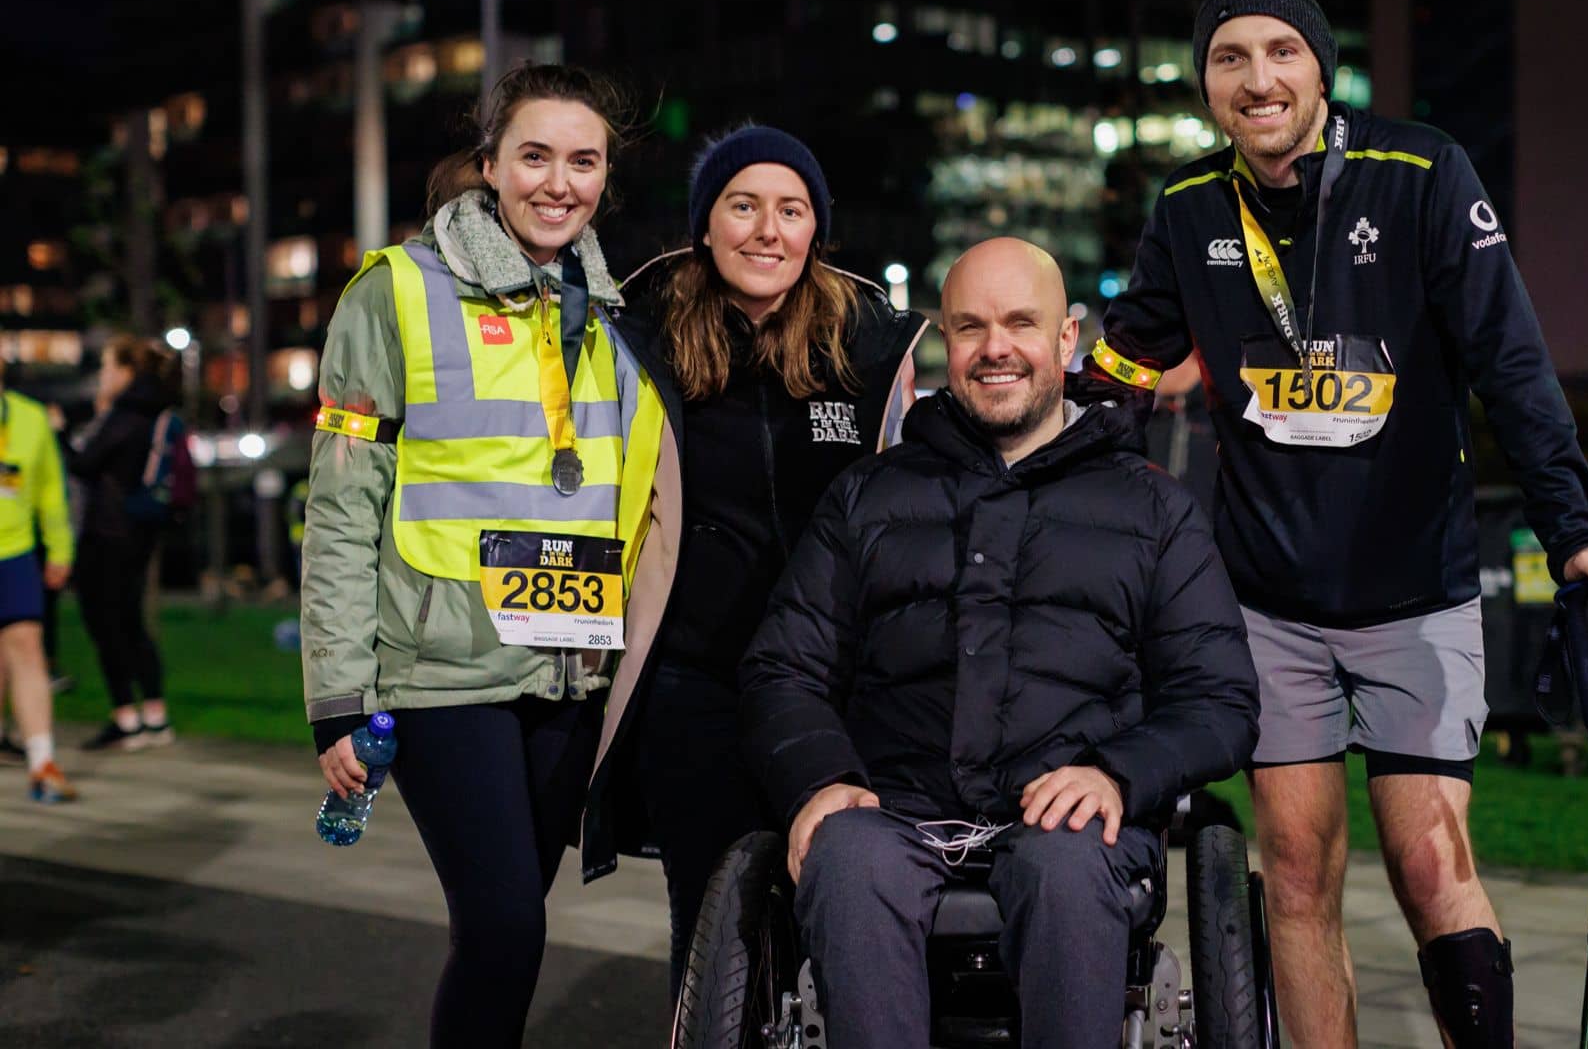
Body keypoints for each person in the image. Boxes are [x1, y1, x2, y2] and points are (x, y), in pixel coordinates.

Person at [1088, 0, 1588, 1045]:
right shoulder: (1185, 209)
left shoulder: (1423, 174)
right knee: (1297, 874)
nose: (1258, 79)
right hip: (1268, 606)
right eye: (1230, 58)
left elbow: (1514, 369)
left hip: (1416, 591)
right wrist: (1029, 410)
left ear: (1319, 66)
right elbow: (1123, 370)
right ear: (1208, 85)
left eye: (1281, 52)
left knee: (1429, 862)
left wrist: (1578, 531)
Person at [736, 237, 1260, 1048]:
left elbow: (1220, 700)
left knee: (1064, 865)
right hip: (893, 810)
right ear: (946, 338)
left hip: (1072, 824)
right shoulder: (870, 495)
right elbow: (783, 666)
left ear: (1067, 338)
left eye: (1021, 322)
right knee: (848, 859)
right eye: (972, 327)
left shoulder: (1154, 511)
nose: (996, 348)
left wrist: (1119, 775)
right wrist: (820, 778)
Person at [300, 62, 671, 1049]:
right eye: (535, 156)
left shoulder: (619, 311)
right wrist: (339, 694)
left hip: (570, 673)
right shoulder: (395, 294)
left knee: (506, 933)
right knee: (507, 927)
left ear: (606, 175)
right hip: (438, 674)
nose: (559, 182)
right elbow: (341, 506)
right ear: (490, 165)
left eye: (583, 160)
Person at [576, 125, 924, 997]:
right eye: (744, 205)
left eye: (792, 209)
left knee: (837, 919)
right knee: (714, 928)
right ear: (706, 225)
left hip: (831, 688)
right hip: (695, 688)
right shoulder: (638, 341)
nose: (768, 230)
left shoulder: (870, 350)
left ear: (816, 233)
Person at [63, 335, 179, 750]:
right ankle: (155, 715)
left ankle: (125, 719)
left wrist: (60, 432)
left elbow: (84, 463)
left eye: (108, 367)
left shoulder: (124, 412)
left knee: (106, 622)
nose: (102, 376)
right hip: (140, 528)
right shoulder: (155, 409)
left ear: (127, 372)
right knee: (131, 621)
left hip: (107, 531)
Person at [0, 357, 77, 800]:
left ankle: (42, 764)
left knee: (27, 650)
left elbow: (51, 489)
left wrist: (60, 548)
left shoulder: (29, 418)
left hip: (15, 555)